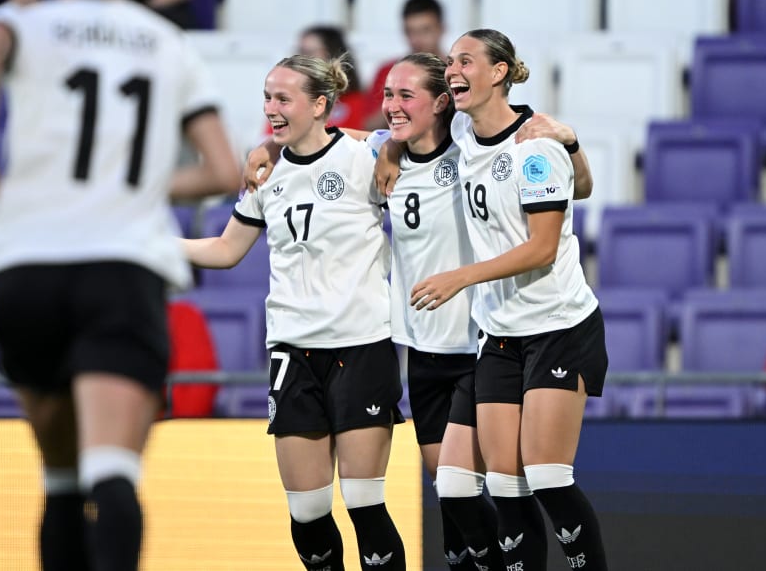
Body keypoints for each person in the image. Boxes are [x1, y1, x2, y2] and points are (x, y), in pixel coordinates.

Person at [0, 0, 239, 571]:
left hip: (26, 263)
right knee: (112, 473)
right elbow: (225, 169)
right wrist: (135, 181)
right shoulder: (166, 42)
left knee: (58, 481)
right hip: (119, 265)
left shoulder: (27, 21)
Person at [244, 53, 594, 571]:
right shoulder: (386, 157)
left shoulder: (475, 149)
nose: (391, 106)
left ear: (442, 102)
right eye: (387, 95)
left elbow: (569, 185)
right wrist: (270, 144)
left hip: (479, 344)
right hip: (423, 353)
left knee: (481, 489)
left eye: (406, 96)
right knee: (456, 509)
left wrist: (567, 140)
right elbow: (330, 141)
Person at [183, 55, 408, 571]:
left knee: (364, 503)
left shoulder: (363, 155)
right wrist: (155, 243)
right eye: (267, 97)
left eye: (283, 99)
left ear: (320, 105)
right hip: (293, 351)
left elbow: (411, 141)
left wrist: (380, 142)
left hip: (361, 345)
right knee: (307, 512)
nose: (271, 109)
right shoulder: (266, 171)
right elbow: (225, 249)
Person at [404, 29, 610, 571]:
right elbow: (399, 129)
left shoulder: (534, 147)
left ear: (499, 72)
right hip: (500, 333)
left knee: (546, 475)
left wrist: (461, 277)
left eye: (465, 60)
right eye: (449, 62)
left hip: (557, 326)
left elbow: (542, 248)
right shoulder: (466, 136)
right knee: (504, 483)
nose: (453, 70)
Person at [366, 0, 447, 116]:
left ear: (441, 29)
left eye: (425, 30)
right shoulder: (388, 71)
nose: (417, 39)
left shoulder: (457, 72)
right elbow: (368, 126)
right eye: (410, 31)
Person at [296, 26, 381, 130]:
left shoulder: (357, 103)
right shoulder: (292, 102)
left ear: (331, 54)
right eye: (299, 52)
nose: (301, 59)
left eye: (309, 52)